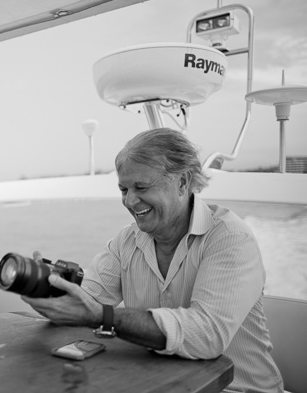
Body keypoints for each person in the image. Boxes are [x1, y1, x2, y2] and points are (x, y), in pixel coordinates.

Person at [23, 128, 283, 393]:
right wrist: (47, 287)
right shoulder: (126, 241)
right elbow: (88, 301)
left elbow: (207, 335)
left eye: (141, 187)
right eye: (123, 189)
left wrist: (102, 317)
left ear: (182, 182)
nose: (129, 200)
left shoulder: (230, 237)